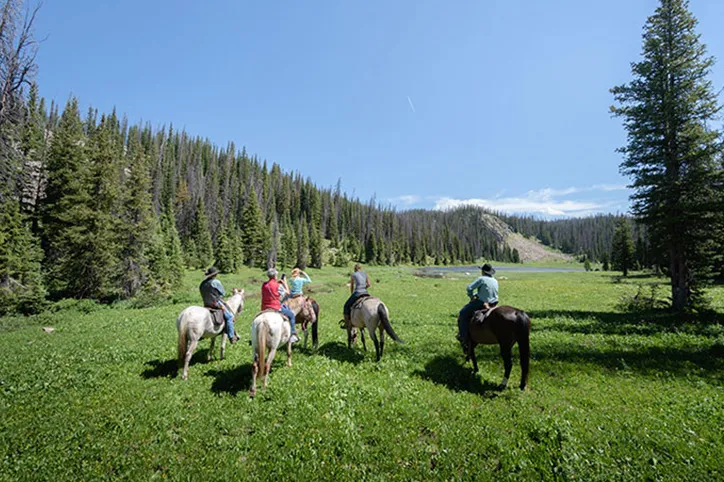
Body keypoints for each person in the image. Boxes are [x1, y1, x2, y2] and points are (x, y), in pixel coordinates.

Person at [457, 263, 499, 348]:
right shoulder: (495, 280)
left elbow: (469, 288)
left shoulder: (481, 279)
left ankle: (463, 336)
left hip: (482, 303)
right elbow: (488, 292)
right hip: (494, 303)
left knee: (463, 313)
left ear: (483, 271)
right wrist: (477, 294)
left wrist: (472, 296)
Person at [199, 266, 239, 344]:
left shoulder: (203, 283)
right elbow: (223, 293)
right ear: (215, 274)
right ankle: (231, 336)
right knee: (230, 317)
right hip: (215, 303)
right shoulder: (216, 282)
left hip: (206, 303)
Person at [261, 268, 300, 344]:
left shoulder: (264, 285)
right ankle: (292, 334)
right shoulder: (278, 286)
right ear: (275, 276)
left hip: (265, 307)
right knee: (291, 315)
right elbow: (288, 293)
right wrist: (284, 283)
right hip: (275, 307)